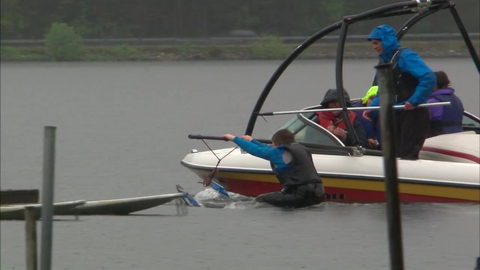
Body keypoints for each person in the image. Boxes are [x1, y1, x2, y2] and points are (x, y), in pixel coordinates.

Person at [362, 24, 436, 160]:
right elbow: (384, 91)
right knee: (394, 155)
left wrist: (414, 100)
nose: (374, 47)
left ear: (386, 40)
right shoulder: (384, 61)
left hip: (413, 113)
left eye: (376, 43)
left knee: (407, 154)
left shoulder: (406, 56)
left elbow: (428, 77)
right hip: (396, 113)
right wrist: (373, 108)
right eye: (372, 44)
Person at [222, 129, 325, 208]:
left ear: (277, 144)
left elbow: (255, 150)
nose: (272, 146)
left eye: (273, 144)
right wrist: (252, 140)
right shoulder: (299, 148)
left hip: (301, 195)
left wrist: (233, 138)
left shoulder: (279, 153)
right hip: (319, 193)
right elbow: (267, 149)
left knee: (261, 200)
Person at [427, 71, 464, 138]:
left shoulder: (432, 102)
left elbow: (421, 123)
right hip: (458, 138)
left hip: (437, 140)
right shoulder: (457, 99)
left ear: (434, 84)